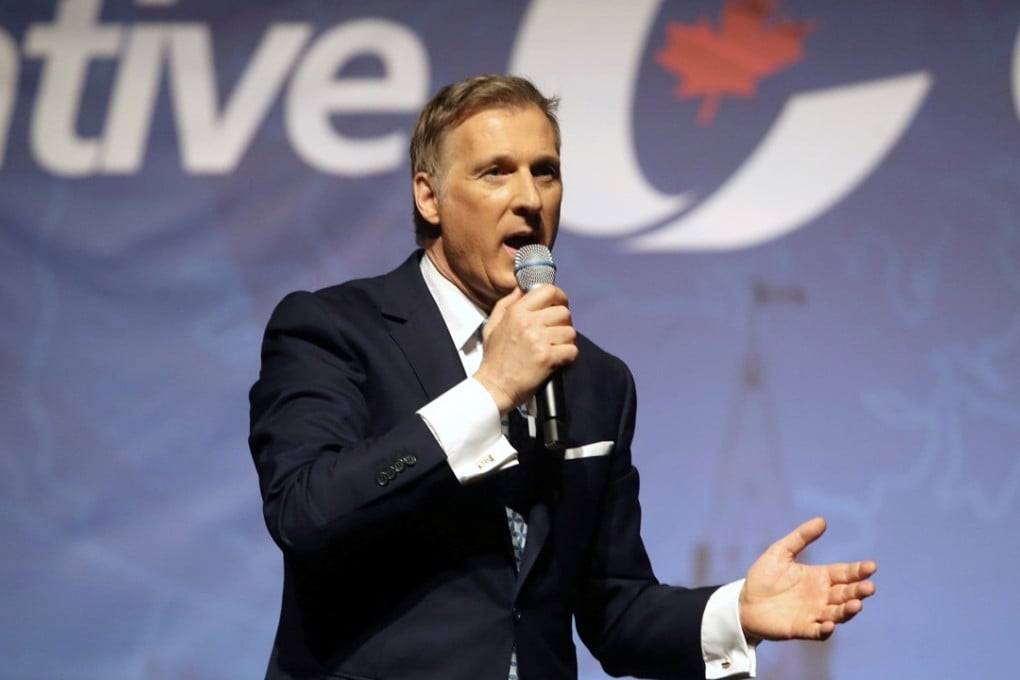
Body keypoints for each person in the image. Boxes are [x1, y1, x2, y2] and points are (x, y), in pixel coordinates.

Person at [248, 74, 877, 680]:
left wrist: (736, 613)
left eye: (544, 171)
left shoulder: (596, 381)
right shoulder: (333, 330)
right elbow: (308, 512)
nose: (528, 197)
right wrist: (489, 392)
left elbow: (615, 608)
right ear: (429, 196)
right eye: (496, 171)